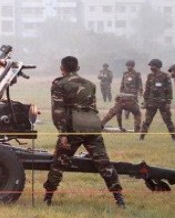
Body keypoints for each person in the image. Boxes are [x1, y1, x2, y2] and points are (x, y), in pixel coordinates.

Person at [43, 56, 124, 208]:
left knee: (59, 163)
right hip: (92, 127)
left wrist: (63, 134)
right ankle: (119, 198)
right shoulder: (90, 84)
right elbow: (92, 108)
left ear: (62, 68)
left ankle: (48, 198)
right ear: (78, 68)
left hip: (73, 129)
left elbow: (58, 111)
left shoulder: (59, 84)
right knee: (104, 163)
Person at [140, 59, 175, 141]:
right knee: (147, 120)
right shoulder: (150, 76)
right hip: (151, 102)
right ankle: (141, 137)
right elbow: (147, 89)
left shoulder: (165, 76)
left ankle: (173, 137)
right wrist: (145, 100)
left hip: (163, 103)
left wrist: (168, 102)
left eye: (152, 66)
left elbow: (169, 90)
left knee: (168, 120)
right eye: (150, 66)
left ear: (158, 66)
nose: (151, 67)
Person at [100, 60, 142, 132]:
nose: (128, 67)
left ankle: (137, 129)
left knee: (137, 113)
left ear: (133, 66)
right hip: (123, 97)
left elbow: (140, 86)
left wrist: (139, 94)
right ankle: (101, 125)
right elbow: (122, 85)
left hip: (132, 97)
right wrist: (120, 94)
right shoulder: (125, 73)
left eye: (130, 65)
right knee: (113, 112)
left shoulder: (137, 74)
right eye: (127, 65)